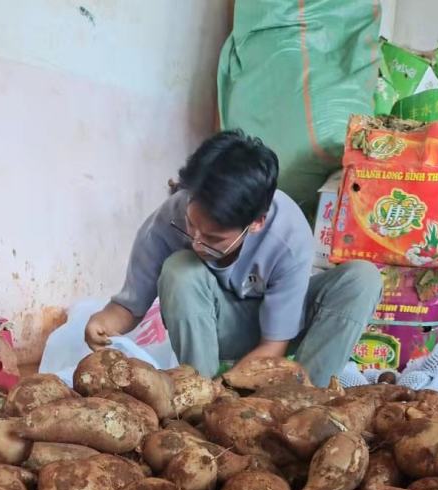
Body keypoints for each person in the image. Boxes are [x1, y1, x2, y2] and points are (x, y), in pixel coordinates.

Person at [85, 130, 382, 386]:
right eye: (192, 226)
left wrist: (227, 389)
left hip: (279, 333)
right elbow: (129, 304)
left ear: (256, 223)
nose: (197, 242)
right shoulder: (171, 217)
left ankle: (303, 402)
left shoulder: (288, 235)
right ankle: (196, 394)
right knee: (180, 268)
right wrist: (102, 323)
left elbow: (273, 344)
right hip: (214, 326)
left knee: (362, 279)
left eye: (214, 239)